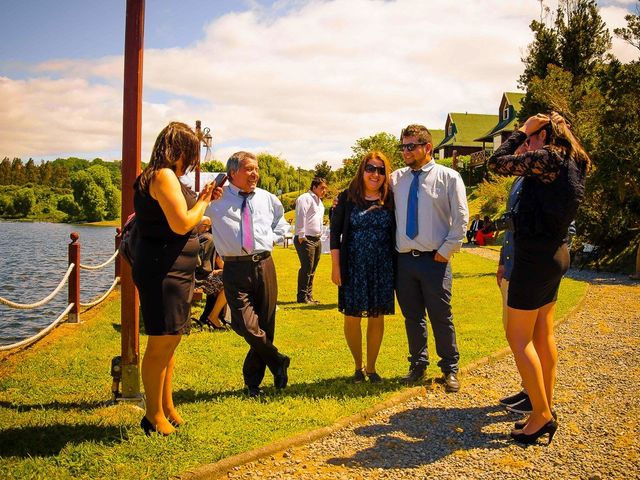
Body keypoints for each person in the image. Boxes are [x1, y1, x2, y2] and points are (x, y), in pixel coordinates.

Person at [488, 111, 590, 445]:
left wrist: (521, 129)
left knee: (518, 338)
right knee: (543, 333)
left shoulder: (548, 158)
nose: (528, 143)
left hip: (533, 260)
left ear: (544, 136)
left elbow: (496, 162)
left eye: (533, 137)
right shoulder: (575, 161)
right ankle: (543, 402)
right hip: (556, 254)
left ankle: (542, 415)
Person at [132, 121, 219, 435]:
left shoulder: (162, 177)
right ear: (179, 150)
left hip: (174, 267)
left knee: (170, 341)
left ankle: (166, 405)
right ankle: (153, 415)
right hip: (162, 270)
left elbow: (181, 220)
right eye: (193, 154)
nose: (193, 163)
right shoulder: (163, 175)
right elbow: (182, 223)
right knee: (161, 343)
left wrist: (204, 201)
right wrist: (205, 203)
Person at [206, 151, 291, 397]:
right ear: (233, 173)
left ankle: (253, 384)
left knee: (266, 323)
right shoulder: (216, 200)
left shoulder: (267, 198)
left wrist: (270, 240)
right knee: (244, 324)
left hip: (264, 264)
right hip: (234, 267)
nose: (254, 174)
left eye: (256, 169)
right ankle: (277, 361)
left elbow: (281, 224)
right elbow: (190, 212)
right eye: (249, 169)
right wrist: (205, 197)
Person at [392, 124, 468, 393]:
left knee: (441, 316)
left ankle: (450, 368)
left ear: (427, 148)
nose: (405, 152)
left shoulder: (449, 177)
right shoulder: (396, 179)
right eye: (403, 146)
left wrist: (444, 252)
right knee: (412, 317)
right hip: (404, 262)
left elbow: (461, 220)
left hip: (434, 261)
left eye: (411, 146)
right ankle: (417, 365)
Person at [330, 151, 395, 383]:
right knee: (352, 317)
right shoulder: (346, 198)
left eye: (380, 170)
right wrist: (335, 266)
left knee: (377, 318)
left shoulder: (390, 198)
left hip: (382, 267)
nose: (375, 174)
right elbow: (334, 234)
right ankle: (358, 367)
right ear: (362, 170)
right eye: (370, 168)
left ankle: (372, 368)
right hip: (353, 266)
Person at [294, 177, 328, 304]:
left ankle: (309, 296)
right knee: (306, 268)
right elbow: (300, 215)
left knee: (312, 269)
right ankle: (302, 296)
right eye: (322, 188)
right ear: (314, 187)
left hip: (316, 238)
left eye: (325, 188)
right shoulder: (305, 198)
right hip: (306, 238)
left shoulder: (320, 202)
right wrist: (301, 235)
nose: (324, 190)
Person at [195, 216, 228, 330]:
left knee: (226, 279)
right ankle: (214, 316)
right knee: (231, 282)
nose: (207, 228)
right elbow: (200, 263)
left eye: (209, 226)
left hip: (199, 275)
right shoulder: (208, 239)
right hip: (199, 278)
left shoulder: (199, 238)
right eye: (205, 225)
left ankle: (211, 316)